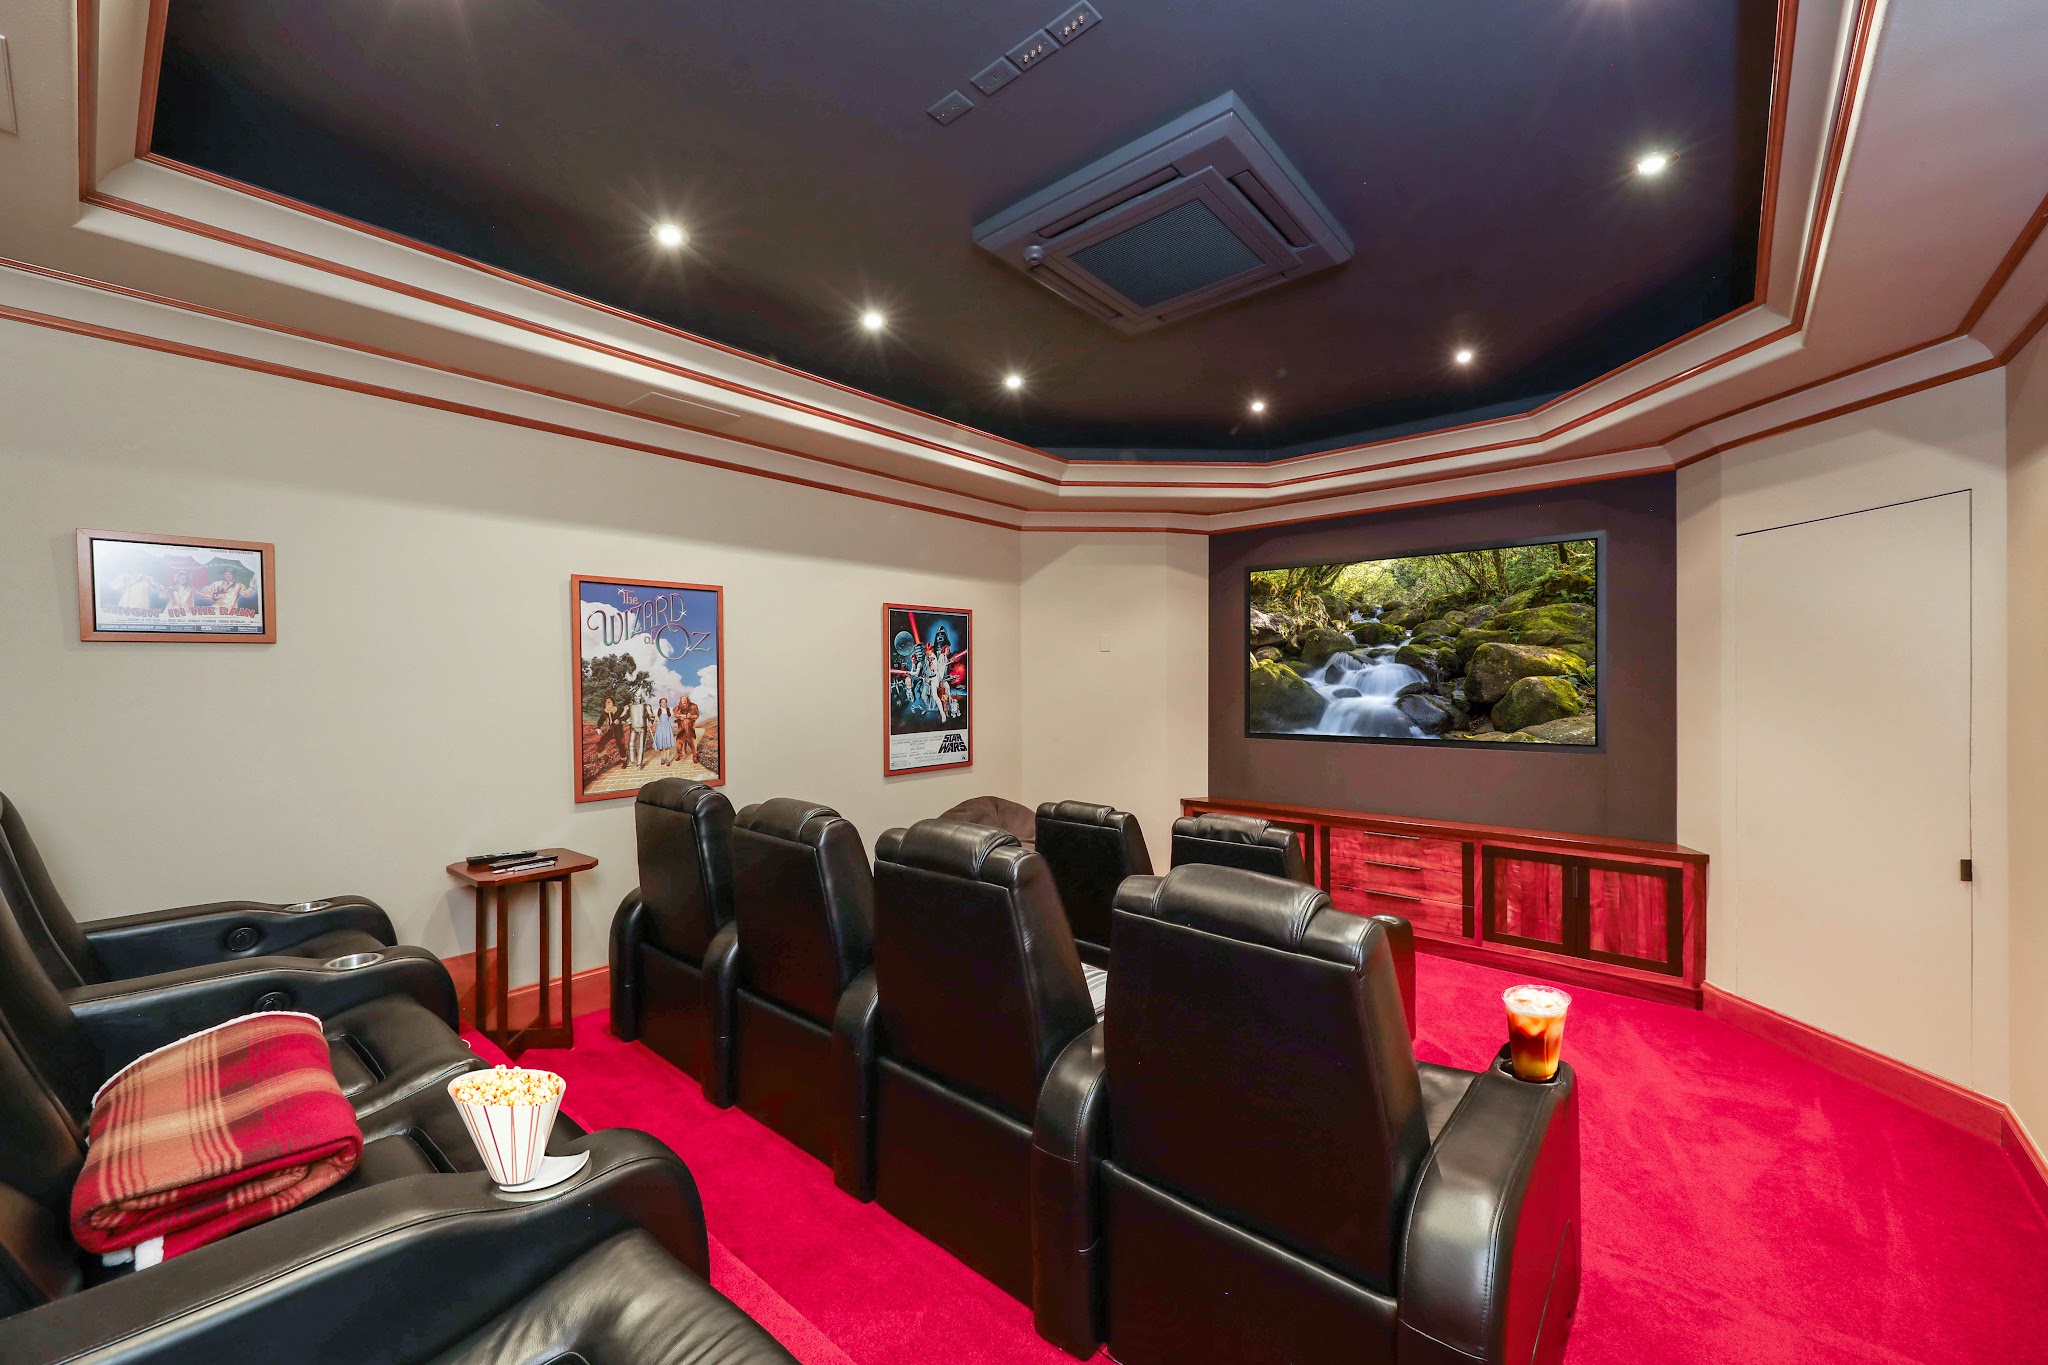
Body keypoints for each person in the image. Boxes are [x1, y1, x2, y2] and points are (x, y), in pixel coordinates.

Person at [625, 690, 648, 770]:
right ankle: (631, 760)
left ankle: (639, 764)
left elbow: (652, 715)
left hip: (642, 728)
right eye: (635, 696)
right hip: (633, 727)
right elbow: (622, 716)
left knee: (641, 746)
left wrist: (648, 717)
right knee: (631, 744)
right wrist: (627, 720)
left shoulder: (646, 706)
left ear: (641, 698)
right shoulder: (629, 706)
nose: (637, 698)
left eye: (638, 697)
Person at [675, 694, 700, 764]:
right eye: (683, 700)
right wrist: (679, 717)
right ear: (680, 701)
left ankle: (695, 757)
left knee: (693, 744)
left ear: (688, 700)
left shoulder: (693, 706)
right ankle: (679, 755)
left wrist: (690, 716)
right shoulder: (677, 708)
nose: (684, 701)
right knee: (678, 743)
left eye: (686, 699)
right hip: (681, 730)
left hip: (690, 729)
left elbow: (696, 716)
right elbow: (675, 715)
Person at [653, 697, 676, 767]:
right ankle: (662, 758)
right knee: (661, 744)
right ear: (660, 703)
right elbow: (653, 718)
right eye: (662, 702)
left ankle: (668, 759)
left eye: (665, 702)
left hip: (667, 728)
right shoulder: (657, 710)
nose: (664, 703)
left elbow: (675, 715)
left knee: (667, 744)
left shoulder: (669, 710)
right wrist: (654, 719)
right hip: (660, 728)